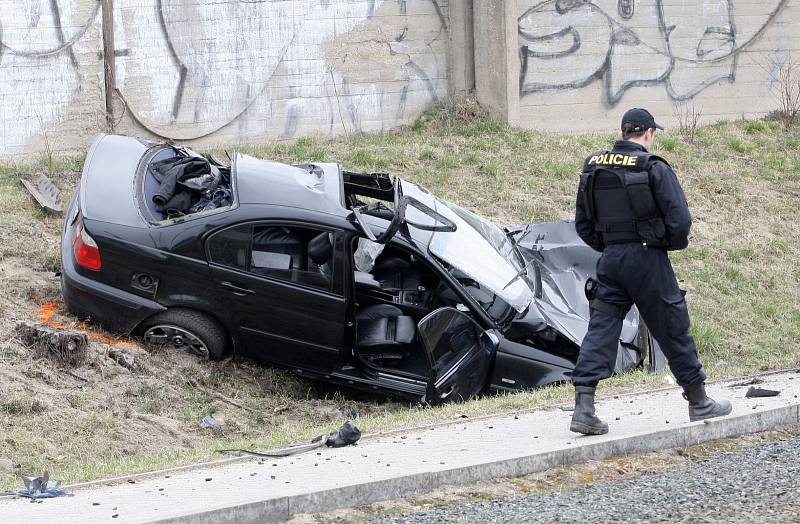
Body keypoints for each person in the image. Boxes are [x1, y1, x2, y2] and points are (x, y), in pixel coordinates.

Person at [570, 108, 731, 435]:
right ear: (646, 134)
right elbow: (680, 220)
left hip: (611, 260)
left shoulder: (594, 167)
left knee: (600, 330)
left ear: (623, 132)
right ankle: (699, 401)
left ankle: (583, 408)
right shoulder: (652, 166)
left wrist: (611, 246)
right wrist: (664, 243)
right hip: (647, 260)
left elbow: (583, 224)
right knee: (673, 327)